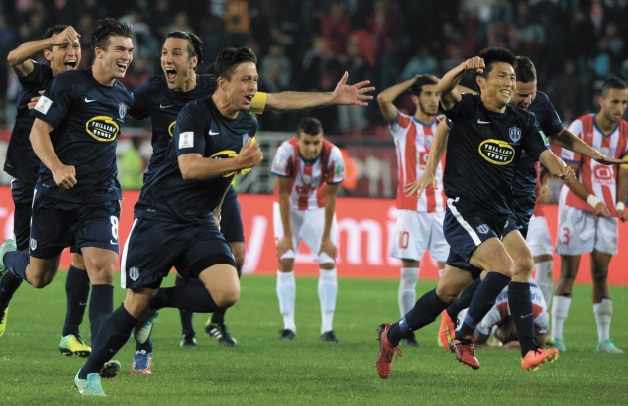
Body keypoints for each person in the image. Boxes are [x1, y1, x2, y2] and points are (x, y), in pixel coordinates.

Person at [125, 31, 374, 372]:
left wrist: (330, 98)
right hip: (174, 191)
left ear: (193, 61)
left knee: (236, 255)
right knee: (152, 279)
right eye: (165, 52)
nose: (168, 59)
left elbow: (276, 101)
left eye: (177, 53)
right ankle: (158, 341)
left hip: (220, 182)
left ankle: (215, 320)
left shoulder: (222, 87)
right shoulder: (151, 91)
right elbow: (115, 107)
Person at [374, 47, 575, 379]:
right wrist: (464, 67)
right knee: (505, 266)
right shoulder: (467, 108)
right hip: (465, 209)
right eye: (502, 76)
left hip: (499, 213)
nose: (509, 83)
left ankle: (391, 334)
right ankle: (465, 334)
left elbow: (544, 153)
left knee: (450, 290)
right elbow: (441, 90)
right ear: (481, 81)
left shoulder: (521, 120)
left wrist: (561, 167)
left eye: (512, 77)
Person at [433, 56, 624, 350]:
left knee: (500, 269)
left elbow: (557, 136)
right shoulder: (487, 102)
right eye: (522, 93)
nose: (527, 98)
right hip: (488, 199)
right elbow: (446, 126)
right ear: (507, 86)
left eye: (531, 92)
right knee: (499, 268)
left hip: (522, 200)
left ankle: (484, 329)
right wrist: (428, 169)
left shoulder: (539, 105)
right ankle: (486, 333)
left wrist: (592, 154)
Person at [0, 17, 135, 379]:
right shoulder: (64, 84)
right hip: (53, 193)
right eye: (120, 49)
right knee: (40, 275)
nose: (127, 57)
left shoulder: (125, 96)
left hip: (100, 197)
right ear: (101, 52)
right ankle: (8, 256)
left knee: (102, 268)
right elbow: (38, 133)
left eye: (131, 51)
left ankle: (99, 354)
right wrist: (58, 167)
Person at [0, 25, 93, 357]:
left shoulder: (83, 85)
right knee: (33, 270)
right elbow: (13, 56)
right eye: (63, 46)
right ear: (49, 53)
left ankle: (71, 333)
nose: (72, 50)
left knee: (84, 253)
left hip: (70, 181)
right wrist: (53, 39)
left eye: (77, 45)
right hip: (30, 179)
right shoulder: (35, 75)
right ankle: (6, 259)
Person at [552, 76, 628, 354]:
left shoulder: (626, 132)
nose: (620, 107)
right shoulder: (580, 127)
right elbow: (567, 173)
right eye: (616, 101)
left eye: (624, 102)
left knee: (601, 272)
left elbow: (623, 172)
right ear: (602, 101)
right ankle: (557, 337)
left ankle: (604, 340)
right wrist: (593, 198)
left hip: (606, 212)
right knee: (569, 271)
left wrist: (620, 204)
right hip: (575, 207)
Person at [376, 74, 448, 347]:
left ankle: (455, 331)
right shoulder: (403, 125)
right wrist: (412, 81)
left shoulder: (445, 123)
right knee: (409, 273)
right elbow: (383, 98)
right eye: (428, 94)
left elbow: (473, 99)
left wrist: (446, 84)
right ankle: (407, 332)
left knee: (451, 275)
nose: (434, 100)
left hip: (441, 210)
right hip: (410, 211)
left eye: (438, 94)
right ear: (416, 98)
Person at [271, 117, 345, 342]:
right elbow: (283, 195)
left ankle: (327, 328)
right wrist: (286, 235)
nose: (313, 148)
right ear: (298, 140)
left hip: (318, 208)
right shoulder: (285, 153)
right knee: (285, 261)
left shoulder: (333, 155)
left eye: (317, 142)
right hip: (288, 208)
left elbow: (332, 197)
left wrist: (326, 238)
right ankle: (288, 326)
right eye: (308, 143)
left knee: (328, 260)